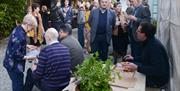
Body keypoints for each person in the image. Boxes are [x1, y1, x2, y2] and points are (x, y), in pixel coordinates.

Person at [122, 22, 170, 91]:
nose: (136, 31)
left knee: (130, 80)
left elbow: (158, 70)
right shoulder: (148, 41)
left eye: (138, 31)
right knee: (128, 63)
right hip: (152, 72)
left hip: (157, 80)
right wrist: (134, 58)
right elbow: (145, 57)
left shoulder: (154, 47)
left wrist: (137, 68)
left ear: (144, 34)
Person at [3, 14, 37, 91]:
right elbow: (16, 54)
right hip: (14, 66)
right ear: (28, 24)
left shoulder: (19, 28)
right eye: (32, 27)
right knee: (18, 87)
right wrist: (29, 57)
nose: (31, 29)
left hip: (10, 62)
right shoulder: (20, 36)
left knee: (17, 84)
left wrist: (27, 46)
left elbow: (15, 44)